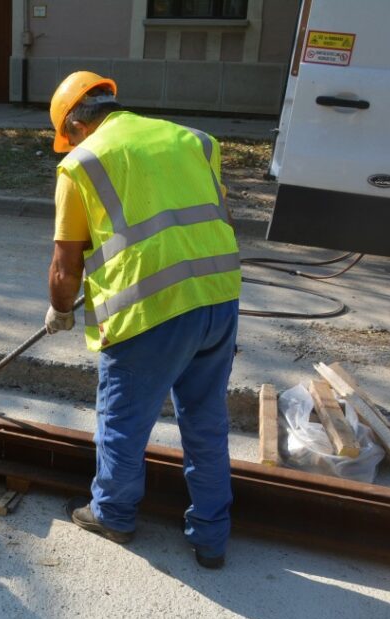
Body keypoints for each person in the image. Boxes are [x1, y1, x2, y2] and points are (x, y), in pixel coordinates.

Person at [44, 72, 242, 569]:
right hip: (218, 299)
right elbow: (217, 217)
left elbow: (66, 266)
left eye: (67, 137)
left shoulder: (80, 165)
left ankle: (112, 514)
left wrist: (61, 309)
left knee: (122, 423)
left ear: (75, 125)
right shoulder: (196, 141)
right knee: (205, 419)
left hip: (149, 312)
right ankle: (211, 537)